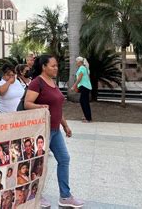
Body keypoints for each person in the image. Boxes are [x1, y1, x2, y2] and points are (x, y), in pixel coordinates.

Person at [24, 54, 84, 208]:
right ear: (44, 67)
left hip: (56, 129)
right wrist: (40, 107)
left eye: (57, 65)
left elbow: (57, 107)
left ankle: (65, 196)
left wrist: (65, 125)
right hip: (43, 131)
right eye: (53, 66)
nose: (56, 68)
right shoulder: (37, 83)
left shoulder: (52, 82)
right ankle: (36, 195)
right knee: (39, 164)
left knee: (64, 159)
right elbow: (27, 103)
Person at [72, 56, 93, 123]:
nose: (76, 63)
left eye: (77, 62)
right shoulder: (86, 68)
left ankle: (88, 118)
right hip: (86, 87)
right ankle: (86, 116)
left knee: (84, 102)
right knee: (83, 101)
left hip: (84, 87)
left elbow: (79, 78)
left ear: (80, 62)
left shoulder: (82, 68)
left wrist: (74, 86)